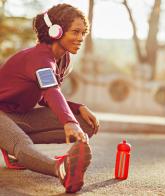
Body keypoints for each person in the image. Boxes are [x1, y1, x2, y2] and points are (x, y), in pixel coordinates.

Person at [0, 3, 99, 193]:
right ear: (56, 31)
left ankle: (13, 146)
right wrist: (68, 121)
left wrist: (78, 109)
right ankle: (61, 169)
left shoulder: (64, 60)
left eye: (83, 33)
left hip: (19, 116)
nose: (80, 38)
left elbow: (47, 97)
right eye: (75, 32)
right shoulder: (39, 58)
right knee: (21, 143)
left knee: (85, 125)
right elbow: (51, 90)